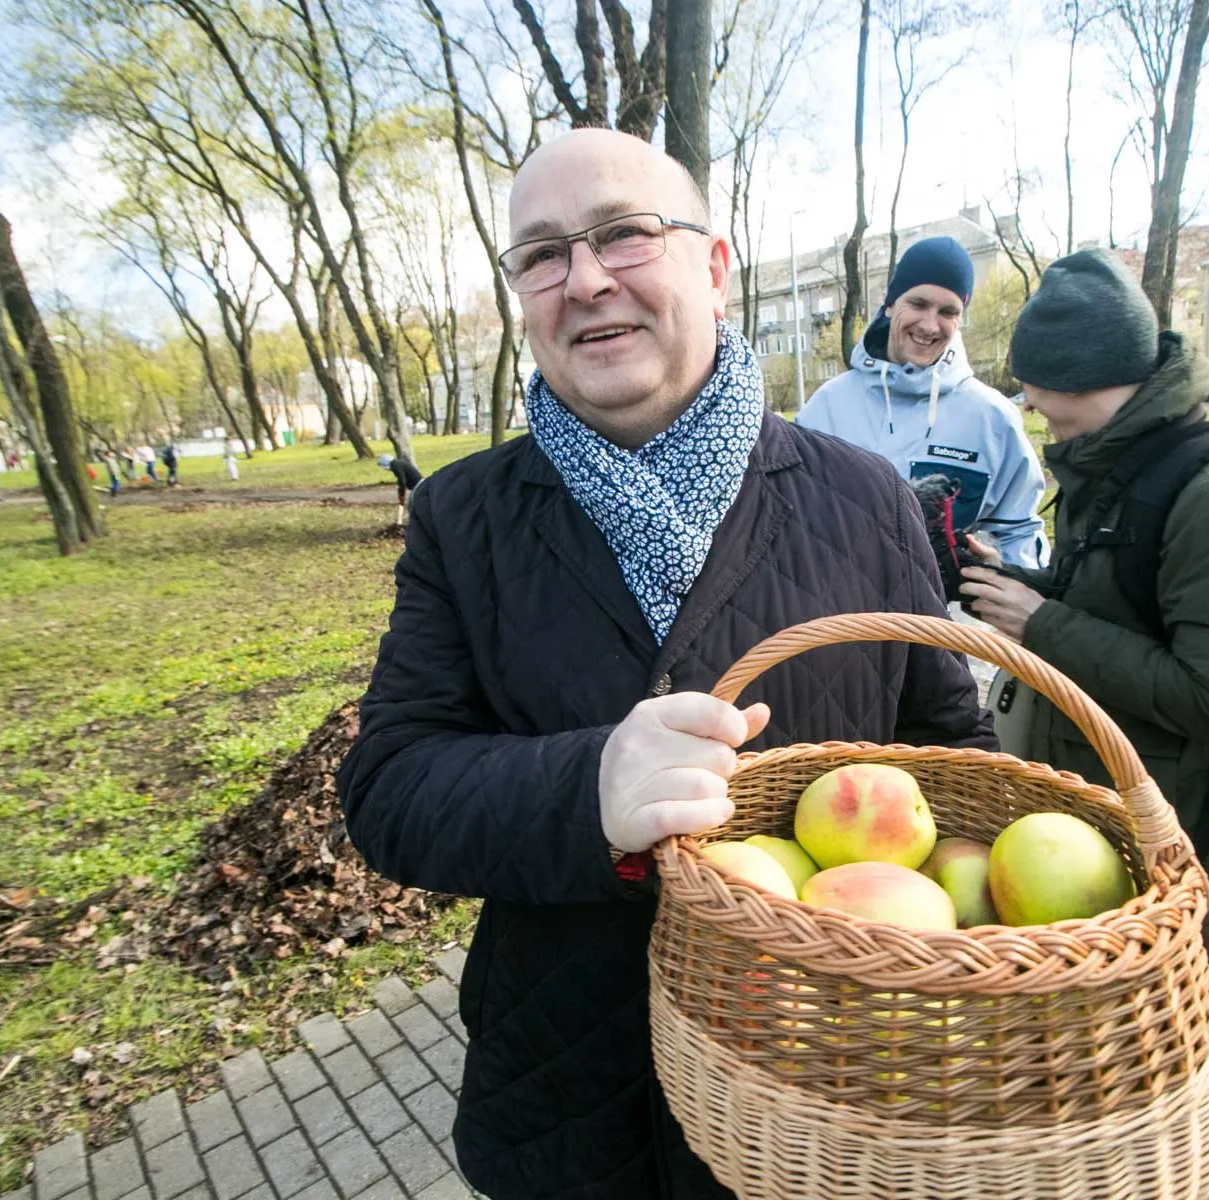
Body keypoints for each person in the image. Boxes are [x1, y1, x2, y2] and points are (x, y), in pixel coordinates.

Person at [335, 128, 994, 1200]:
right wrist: (588, 784)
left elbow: (957, 755)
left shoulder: (865, 498)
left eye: (624, 235)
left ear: (716, 268)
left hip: (821, 1090)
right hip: (571, 1094)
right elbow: (391, 790)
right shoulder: (466, 516)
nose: (585, 279)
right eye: (541, 254)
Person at [957, 248, 1209, 1119]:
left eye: (1036, 384)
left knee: (1182, 1028)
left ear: (1092, 374)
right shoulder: (1109, 466)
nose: (1026, 404)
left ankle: (1191, 1160)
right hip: (1090, 816)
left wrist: (1044, 625)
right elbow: (1123, 608)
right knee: (1101, 1039)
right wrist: (1030, 590)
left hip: (1180, 830)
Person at [795, 236, 1049, 571]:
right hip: (842, 617)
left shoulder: (993, 418)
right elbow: (792, 522)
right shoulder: (826, 407)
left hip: (943, 620)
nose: (930, 325)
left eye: (948, 311)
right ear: (889, 305)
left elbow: (1018, 533)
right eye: (918, 303)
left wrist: (1014, 585)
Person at [376, 452, 422, 525]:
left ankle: (416, 524)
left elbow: (402, 481)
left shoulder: (395, 465)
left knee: (412, 506)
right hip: (417, 485)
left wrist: (402, 495)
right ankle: (413, 524)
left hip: (418, 485)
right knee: (411, 506)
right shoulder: (397, 463)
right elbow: (401, 480)